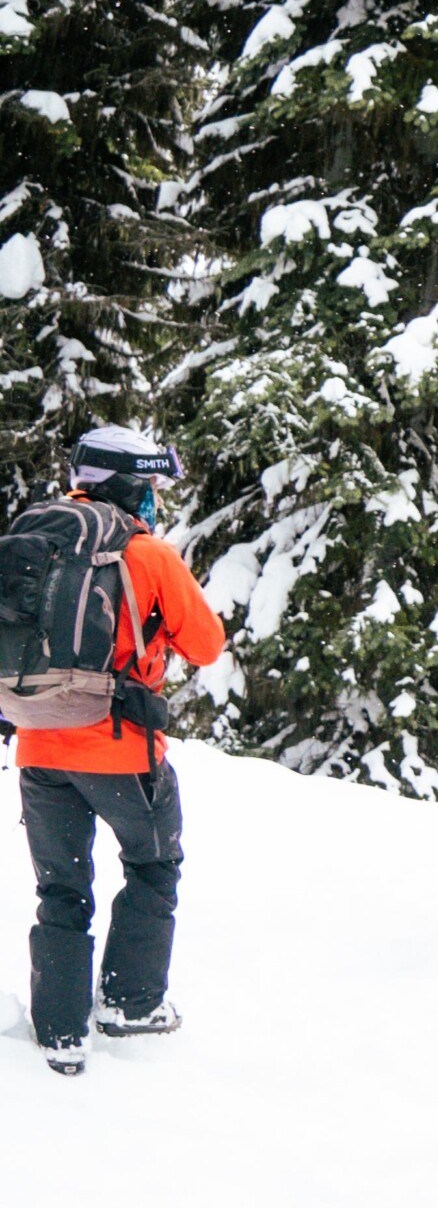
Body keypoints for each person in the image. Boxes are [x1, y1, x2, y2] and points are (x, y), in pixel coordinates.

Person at [11, 425, 226, 1077]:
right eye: (152, 485)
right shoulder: (146, 552)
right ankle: (130, 1005)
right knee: (153, 862)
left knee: (61, 888)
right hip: (120, 750)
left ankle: (59, 1033)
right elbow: (208, 644)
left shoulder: (33, 537)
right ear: (131, 485)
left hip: (38, 743)